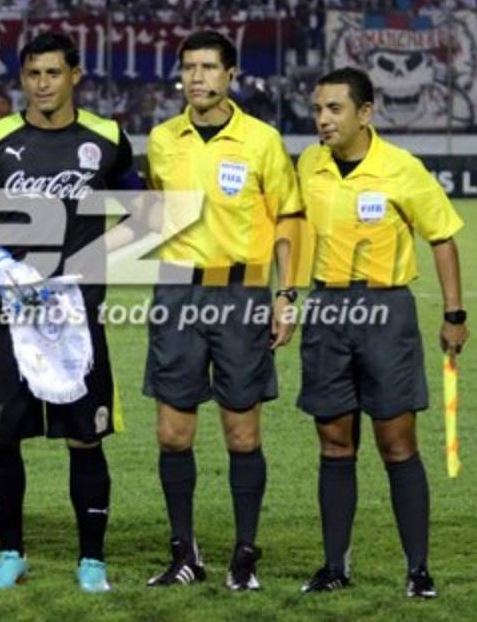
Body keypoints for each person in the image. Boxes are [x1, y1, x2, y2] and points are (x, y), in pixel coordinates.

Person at [0, 31, 143, 593]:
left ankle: (92, 562)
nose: (42, 84)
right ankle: (10, 554)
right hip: (10, 310)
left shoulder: (108, 138)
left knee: (85, 436)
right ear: (23, 77)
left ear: (75, 76)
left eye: (53, 73)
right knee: (1, 435)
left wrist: (86, 259)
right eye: (33, 74)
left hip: (78, 312)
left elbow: (144, 217)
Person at [296, 67, 468, 599]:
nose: (323, 119)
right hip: (326, 307)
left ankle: (418, 570)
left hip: (385, 311)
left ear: (365, 113)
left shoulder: (402, 169)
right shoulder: (309, 164)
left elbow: (441, 237)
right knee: (334, 443)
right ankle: (334, 567)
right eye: (319, 109)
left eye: (334, 109)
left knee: (396, 444)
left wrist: (454, 315)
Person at [143, 30, 303, 591]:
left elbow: (289, 218)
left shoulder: (262, 141)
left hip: (241, 294)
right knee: (172, 435)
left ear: (231, 75)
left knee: (242, 433)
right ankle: (184, 553)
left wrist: (287, 295)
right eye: (189, 67)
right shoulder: (163, 139)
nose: (196, 77)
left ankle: (244, 554)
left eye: (209, 67)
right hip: (177, 293)